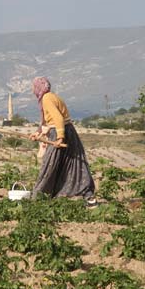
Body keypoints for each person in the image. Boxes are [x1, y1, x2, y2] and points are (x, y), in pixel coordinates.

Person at [29, 77, 97, 206]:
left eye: (34, 87)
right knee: (75, 163)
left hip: (61, 132)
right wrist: (37, 133)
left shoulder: (47, 98)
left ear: (39, 87)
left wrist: (60, 137)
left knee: (50, 164)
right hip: (68, 131)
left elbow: (58, 118)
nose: (33, 90)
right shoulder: (52, 96)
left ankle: (38, 199)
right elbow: (47, 120)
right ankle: (88, 196)